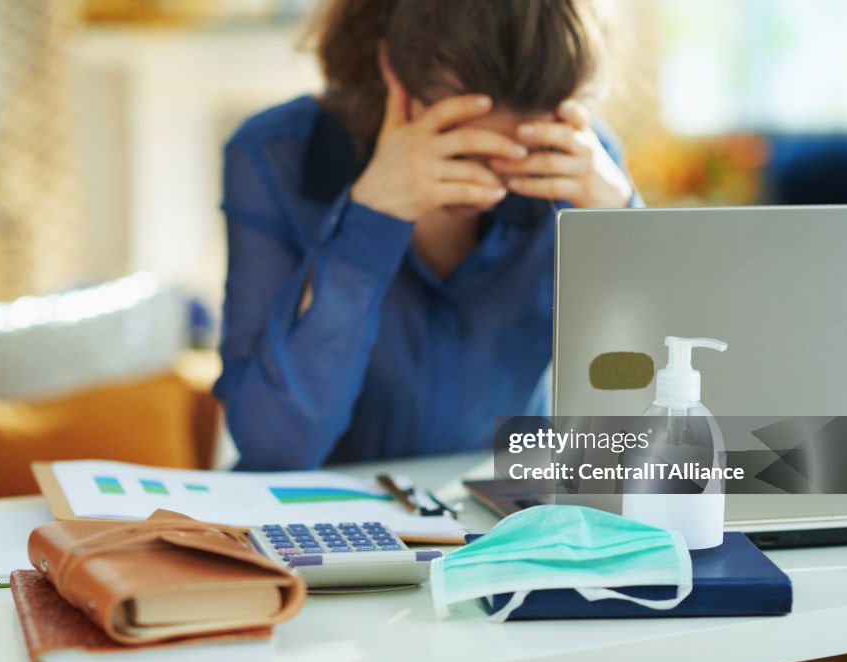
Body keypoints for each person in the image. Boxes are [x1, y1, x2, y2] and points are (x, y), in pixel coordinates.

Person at [215, 0, 641, 471]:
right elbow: (277, 447)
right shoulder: (274, 155)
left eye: (520, 151)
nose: (490, 183)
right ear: (391, 72)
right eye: (463, 148)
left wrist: (625, 231)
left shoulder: (583, 168)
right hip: (323, 519)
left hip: (504, 523)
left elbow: (666, 437)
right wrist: (369, 219)